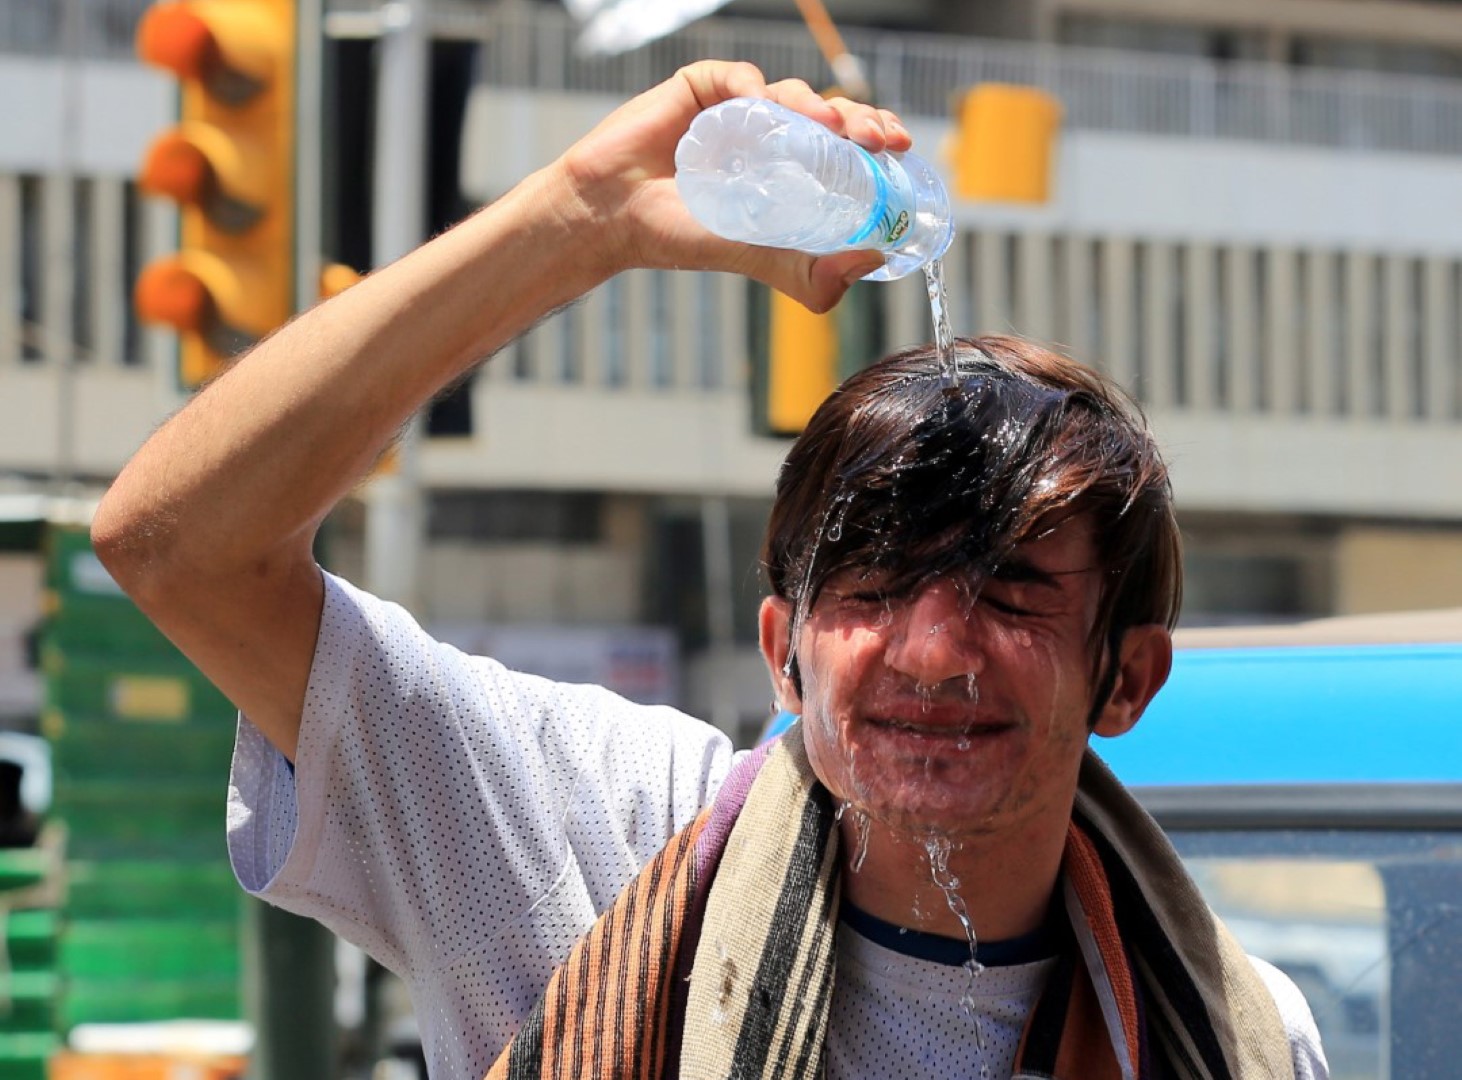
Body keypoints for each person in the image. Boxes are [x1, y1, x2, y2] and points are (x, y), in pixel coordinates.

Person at [93, 61, 1327, 1079]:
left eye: (1011, 595)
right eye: (870, 592)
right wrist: (579, 219)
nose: (935, 650)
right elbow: (178, 546)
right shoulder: (597, 833)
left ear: (1127, 679)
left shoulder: (1233, 1029)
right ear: (782, 649)